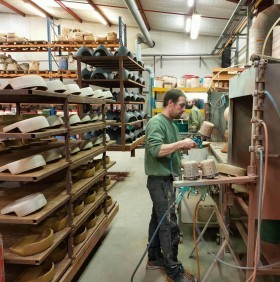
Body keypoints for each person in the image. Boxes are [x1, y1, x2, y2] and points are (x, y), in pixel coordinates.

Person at [145, 88, 197, 282]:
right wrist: (181, 144)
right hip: (159, 181)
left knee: (157, 220)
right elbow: (155, 150)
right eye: (181, 105)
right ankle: (173, 271)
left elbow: (173, 153)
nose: (184, 109)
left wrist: (188, 163)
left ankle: (154, 257)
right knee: (168, 225)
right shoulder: (156, 123)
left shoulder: (172, 126)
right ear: (170, 103)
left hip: (167, 179)